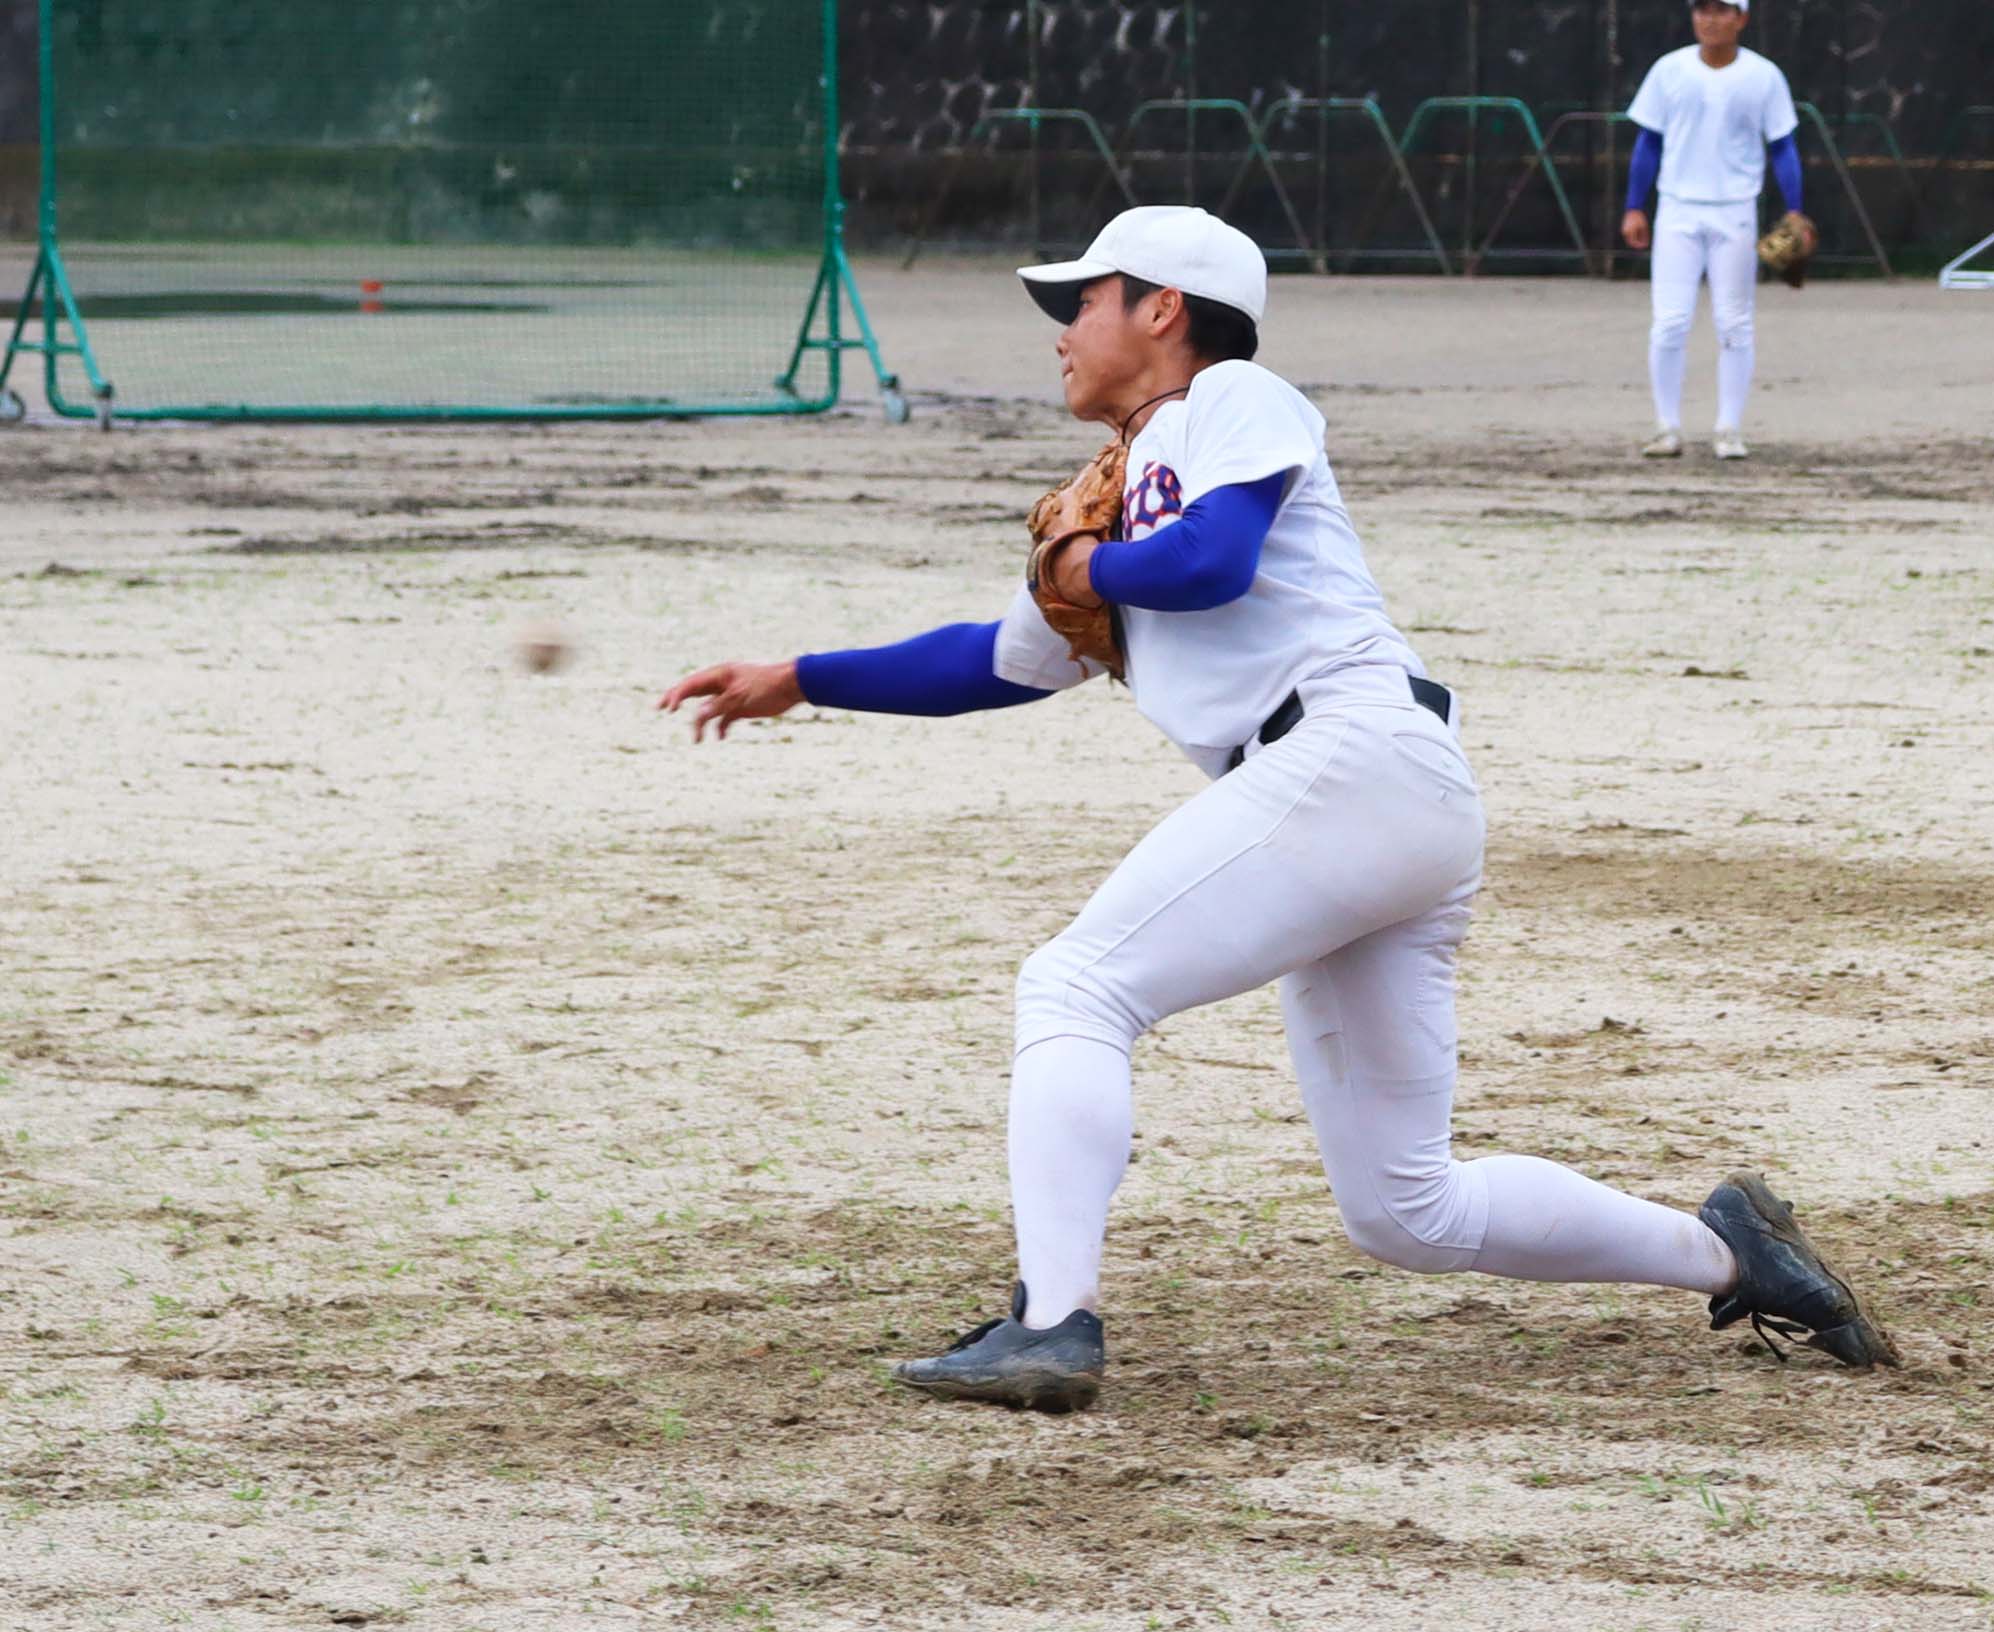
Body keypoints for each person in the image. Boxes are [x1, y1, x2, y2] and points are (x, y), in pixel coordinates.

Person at [658, 206, 1895, 1413]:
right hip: (1371, 800)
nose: (1062, 329)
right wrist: (802, 677)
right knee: (1404, 1207)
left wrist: (1093, 566)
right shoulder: (1114, 487)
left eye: (1083, 300)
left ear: (1163, 309)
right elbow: (993, 661)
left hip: (1348, 757)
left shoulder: (1229, 403)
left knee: (1076, 986)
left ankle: (1049, 1320)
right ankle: (1735, 1254)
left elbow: (1211, 562)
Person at [1622, 0, 1814, 461]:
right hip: (1677, 210)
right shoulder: (1669, 70)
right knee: (1670, 322)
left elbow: (1783, 146)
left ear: (1742, 19)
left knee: (1734, 323)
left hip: (1736, 211)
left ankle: (1728, 428)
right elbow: (1649, 142)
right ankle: (1666, 427)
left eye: (1722, 10)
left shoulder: (1763, 76)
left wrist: (1796, 210)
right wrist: (1634, 206)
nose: (1710, 18)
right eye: (1702, 9)